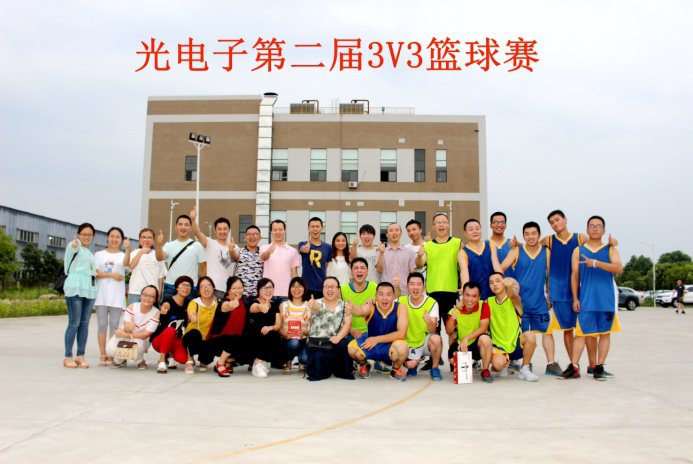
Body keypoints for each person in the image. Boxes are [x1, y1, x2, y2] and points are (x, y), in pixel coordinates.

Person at [493, 221, 562, 376]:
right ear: (523, 236)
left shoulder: (546, 252)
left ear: (539, 235)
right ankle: (524, 363)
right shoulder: (516, 251)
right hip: (519, 302)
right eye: (527, 234)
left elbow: (550, 275)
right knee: (522, 334)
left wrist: (550, 295)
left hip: (539, 301)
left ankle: (551, 363)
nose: (530, 237)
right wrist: (505, 283)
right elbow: (501, 268)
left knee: (547, 332)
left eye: (533, 233)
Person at [560, 216, 623, 381]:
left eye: (598, 226)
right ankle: (574, 366)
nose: (595, 229)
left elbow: (618, 268)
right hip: (586, 299)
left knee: (605, 334)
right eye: (592, 226)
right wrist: (575, 298)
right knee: (581, 334)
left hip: (606, 300)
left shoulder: (610, 250)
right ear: (587, 230)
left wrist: (595, 263)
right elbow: (574, 275)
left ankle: (599, 367)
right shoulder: (578, 251)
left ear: (604, 230)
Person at [347, 282, 409, 381]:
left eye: (388, 294)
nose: (384, 298)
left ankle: (395, 369)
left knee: (402, 347)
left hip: (389, 346)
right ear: (376, 296)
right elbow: (361, 310)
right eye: (381, 294)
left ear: (393, 296)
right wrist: (352, 308)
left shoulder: (400, 307)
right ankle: (365, 365)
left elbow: (402, 334)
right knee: (351, 348)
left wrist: (376, 339)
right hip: (371, 345)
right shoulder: (371, 306)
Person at [487, 272, 539, 382]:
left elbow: (512, 296)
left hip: (516, 344)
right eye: (491, 283)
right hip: (499, 346)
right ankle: (504, 364)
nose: (494, 284)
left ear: (504, 283)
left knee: (530, 335)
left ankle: (525, 369)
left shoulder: (514, 300)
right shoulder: (488, 302)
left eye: (498, 281)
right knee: (498, 365)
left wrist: (509, 287)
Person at [416, 213, 462, 336]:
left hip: (452, 292)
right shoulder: (427, 246)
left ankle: (453, 350)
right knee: (434, 331)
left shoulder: (457, 243)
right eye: (438, 223)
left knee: (453, 330)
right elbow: (420, 264)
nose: (441, 225)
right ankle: (436, 350)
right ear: (433, 226)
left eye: (444, 222)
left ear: (448, 225)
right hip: (433, 293)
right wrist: (419, 256)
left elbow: (464, 267)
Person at [181, 276, 238, 376]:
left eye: (209, 286)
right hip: (194, 337)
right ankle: (189, 360)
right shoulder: (194, 303)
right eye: (203, 287)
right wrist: (192, 316)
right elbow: (191, 312)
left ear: (213, 288)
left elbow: (226, 306)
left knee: (207, 359)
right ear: (199, 291)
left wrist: (231, 305)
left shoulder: (218, 303)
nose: (206, 289)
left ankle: (204, 361)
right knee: (193, 334)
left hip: (208, 339)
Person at [305, 277, 354, 381]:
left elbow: (348, 324)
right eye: (327, 286)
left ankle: (340, 371)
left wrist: (338, 337)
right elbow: (316, 307)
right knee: (319, 367)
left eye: (333, 287)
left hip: (336, 341)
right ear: (322, 289)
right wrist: (312, 305)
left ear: (338, 289)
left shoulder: (345, 305)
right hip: (319, 344)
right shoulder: (317, 302)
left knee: (343, 344)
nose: (330, 289)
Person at [63, 223, 98, 369]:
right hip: (76, 287)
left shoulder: (90, 252)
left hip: (89, 288)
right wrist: (74, 244)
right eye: (84, 234)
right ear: (78, 234)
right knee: (74, 323)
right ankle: (68, 356)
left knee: (84, 323)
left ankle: (80, 355)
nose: (87, 237)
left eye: (89, 235)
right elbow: (72, 247)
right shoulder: (75, 246)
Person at [446, 282, 494, 383]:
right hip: (461, 343)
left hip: (476, 343)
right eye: (467, 295)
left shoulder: (484, 306)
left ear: (479, 297)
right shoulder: (455, 309)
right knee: (452, 361)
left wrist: (467, 338)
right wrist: (452, 319)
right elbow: (448, 331)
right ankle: (468, 363)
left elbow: (483, 328)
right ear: (462, 295)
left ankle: (485, 369)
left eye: (474, 296)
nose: (470, 299)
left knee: (486, 339)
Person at [94, 227, 128, 368]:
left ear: (121, 239)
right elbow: (95, 273)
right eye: (112, 236)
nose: (114, 239)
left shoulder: (123, 255)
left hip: (117, 295)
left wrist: (128, 249)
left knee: (114, 325)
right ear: (107, 238)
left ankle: (111, 355)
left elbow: (128, 265)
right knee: (102, 325)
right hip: (101, 294)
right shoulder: (99, 255)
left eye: (117, 237)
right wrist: (112, 275)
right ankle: (103, 354)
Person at [400, 272, 443, 381]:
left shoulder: (432, 303)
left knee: (437, 339)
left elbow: (432, 330)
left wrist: (429, 322)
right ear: (407, 287)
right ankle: (413, 363)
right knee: (410, 365)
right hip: (406, 342)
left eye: (419, 284)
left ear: (424, 287)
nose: (415, 287)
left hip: (424, 342)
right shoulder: (400, 301)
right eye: (412, 284)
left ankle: (434, 368)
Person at [190, 207, 240, 299]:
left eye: (225, 229)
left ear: (229, 230)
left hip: (228, 290)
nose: (222, 232)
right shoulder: (210, 243)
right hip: (212, 289)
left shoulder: (235, 247)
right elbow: (198, 233)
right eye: (219, 229)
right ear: (215, 230)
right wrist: (193, 220)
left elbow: (235, 258)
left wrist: (231, 250)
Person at [107, 285, 161, 369]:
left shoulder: (156, 313)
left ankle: (140, 360)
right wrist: (128, 328)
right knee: (110, 349)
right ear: (141, 295)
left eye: (151, 296)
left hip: (141, 339)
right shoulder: (132, 306)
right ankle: (121, 359)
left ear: (155, 299)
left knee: (138, 344)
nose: (147, 298)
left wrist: (124, 335)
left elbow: (145, 335)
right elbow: (126, 328)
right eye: (145, 295)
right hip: (125, 334)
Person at [156, 215, 206, 302]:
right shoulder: (169, 245)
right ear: (176, 227)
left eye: (186, 225)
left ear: (191, 228)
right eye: (180, 224)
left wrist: (199, 287)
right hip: (170, 286)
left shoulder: (197, 246)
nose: (183, 227)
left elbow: (204, 269)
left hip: (190, 288)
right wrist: (159, 244)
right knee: (167, 310)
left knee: (189, 311)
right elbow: (159, 257)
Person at [244, 278, 285, 377]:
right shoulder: (252, 303)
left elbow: (278, 325)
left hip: (268, 335)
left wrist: (270, 327)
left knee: (275, 338)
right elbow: (255, 307)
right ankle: (258, 363)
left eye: (270, 288)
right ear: (258, 290)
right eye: (265, 288)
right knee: (264, 336)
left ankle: (262, 360)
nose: (268, 290)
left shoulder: (274, 304)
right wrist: (262, 307)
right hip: (253, 337)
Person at [150, 276, 192, 373]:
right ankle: (162, 361)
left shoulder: (189, 304)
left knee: (182, 359)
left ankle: (171, 355)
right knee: (170, 330)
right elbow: (166, 306)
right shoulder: (168, 301)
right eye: (183, 285)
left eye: (188, 286)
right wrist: (165, 310)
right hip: (160, 340)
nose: (185, 288)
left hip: (175, 339)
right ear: (177, 287)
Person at [259, 220, 299, 300]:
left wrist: (295, 291)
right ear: (271, 232)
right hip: (267, 293)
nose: (278, 232)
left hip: (286, 293)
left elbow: (294, 274)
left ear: (285, 231)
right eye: (275, 230)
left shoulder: (293, 251)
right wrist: (268, 252)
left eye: (280, 229)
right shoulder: (264, 247)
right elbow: (263, 257)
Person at [339, 258, 378, 341]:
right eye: (356, 268)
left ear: (367, 272)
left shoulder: (376, 287)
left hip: (373, 333)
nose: (359, 270)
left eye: (362, 268)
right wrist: (352, 331)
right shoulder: (342, 289)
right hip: (349, 333)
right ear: (351, 272)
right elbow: (339, 316)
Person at [279, 277, 311, 374]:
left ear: (304, 288)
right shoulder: (283, 305)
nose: (296, 289)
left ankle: (302, 362)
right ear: (289, 289)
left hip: (304, 340)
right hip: (288, 340)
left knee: (305, 358)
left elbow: (313, 328)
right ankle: (288, 361)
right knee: (294, 343)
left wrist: (305, 332)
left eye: (300, 286)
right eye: (293, 286)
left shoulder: (309, 305)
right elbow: (279, 326)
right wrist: (284, 334)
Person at [125, 228, 166, 304]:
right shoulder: (134, 253)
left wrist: (159, 291)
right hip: (136, 292)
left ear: (153, 240)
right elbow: (131, 266)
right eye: (143, 237)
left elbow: (161, 275)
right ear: (139, 240)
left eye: (149, 238)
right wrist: (141, 252)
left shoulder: (157, 255)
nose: (146, 240)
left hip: (152, 293)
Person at [459, 219, 495, 300]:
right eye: (471, 229)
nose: (475, 231)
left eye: (477, 228)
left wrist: (502, 280)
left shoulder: (490, 246)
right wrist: (464, 287)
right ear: (465, 233)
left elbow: (497, 266)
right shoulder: (462, 253)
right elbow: (464, 272)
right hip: (475, 296)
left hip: (492, 292)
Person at [377, 223, 417, 296]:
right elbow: (379, 270)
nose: (394, 233)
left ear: (401, 233)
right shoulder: (381, 251)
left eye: (397, 230)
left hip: (404, 292)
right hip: (385, 293)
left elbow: (412, 273)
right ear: (387, 235)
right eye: (391, 231)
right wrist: (381, 253)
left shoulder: (409, 252)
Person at [298, 217, 332, 299]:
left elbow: (326, 266)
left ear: (322, 228)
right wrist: (304, 249)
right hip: (306, 287)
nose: (315, 229)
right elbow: (301, 249)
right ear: (308, 229)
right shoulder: (303, 244)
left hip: (322, 287)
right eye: (312, 226)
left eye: (317, 226)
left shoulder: (328, 247)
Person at [236, 225, 263, 298]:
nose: (252, 237)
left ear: (260, 238)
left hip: (258, 296)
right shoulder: (239, 251)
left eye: (255, 234)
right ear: (245, 237)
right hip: (241, 295)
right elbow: (233, 257)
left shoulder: (263, 253)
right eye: (249, 234)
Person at [488, 212, 514, 278]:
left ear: (505, 225)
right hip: (491, 283)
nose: (499, 225)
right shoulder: (485, 245)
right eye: (496, 222)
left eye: (502, 222)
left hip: (510, 282)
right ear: (491, 225)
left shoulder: (512, 244)